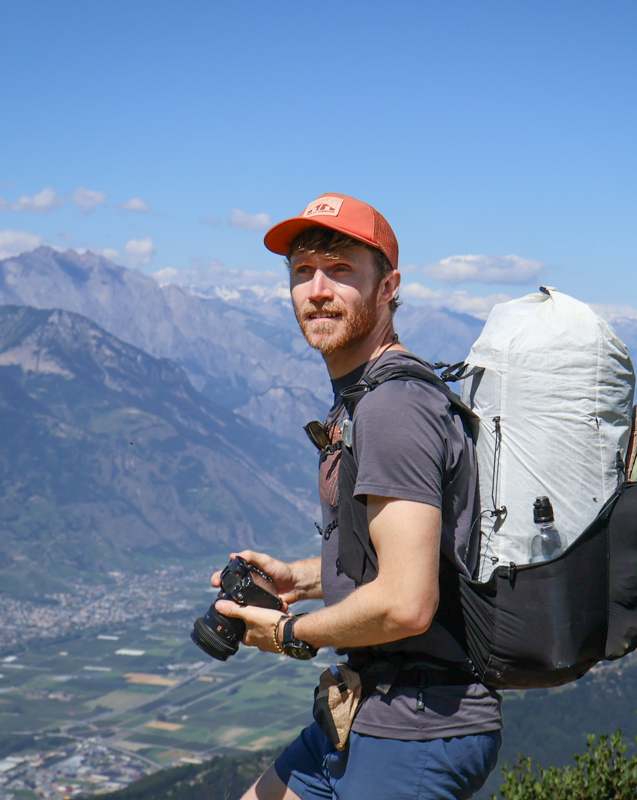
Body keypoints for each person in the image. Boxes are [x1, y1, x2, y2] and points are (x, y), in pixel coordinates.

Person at [210, 193, 501, 799]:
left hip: (418, 729)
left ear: (388, 286)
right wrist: (299, 577)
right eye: (302, 271)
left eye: (341, 270)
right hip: (363, 712)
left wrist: (290, 633)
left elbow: (405, 602)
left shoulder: (393, 407)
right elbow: (407, 557)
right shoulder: (364, 397)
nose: (318, 289)